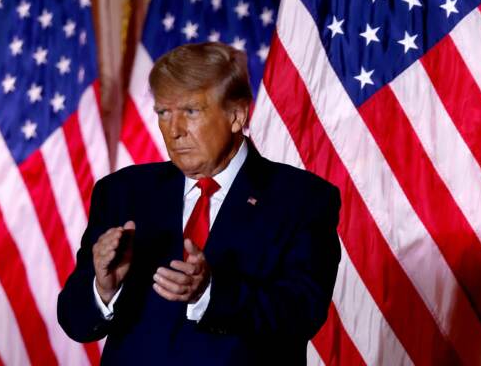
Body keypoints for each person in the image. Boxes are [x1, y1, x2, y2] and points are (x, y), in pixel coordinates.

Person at [58, 42, 341, 365]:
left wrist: (210, 293)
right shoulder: (124, 191)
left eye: (191, 111)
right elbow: (75, 321)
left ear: (236, 115)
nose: (174, 130)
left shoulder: (302, 198)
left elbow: (301, 313)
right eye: (164, 112)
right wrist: (103, 289)